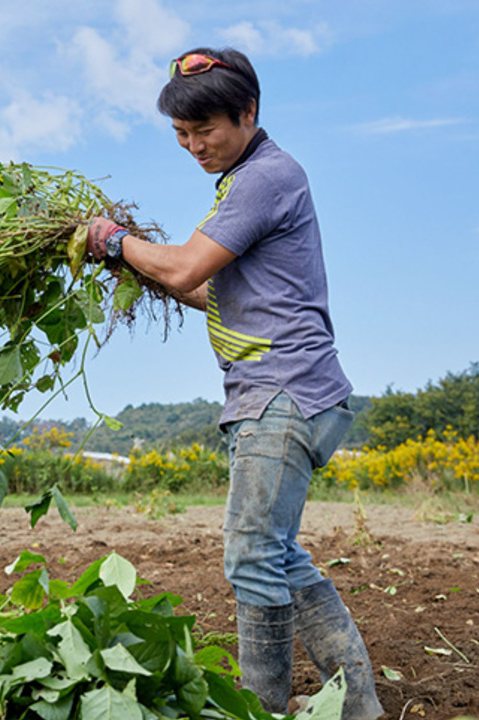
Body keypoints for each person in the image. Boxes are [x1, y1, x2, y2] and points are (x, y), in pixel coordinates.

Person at [84, 48, 383, 718]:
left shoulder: (265, 177)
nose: (194, 147)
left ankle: (261, 708)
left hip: (284, 394)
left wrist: (114, 241)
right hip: (291, 393)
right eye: (180, 135)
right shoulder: (246, 179)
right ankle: (357, 705)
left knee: (251, 557)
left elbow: (187, 267)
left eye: (205, 131)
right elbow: (207, 290)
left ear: (248, 113)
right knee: (277, 556)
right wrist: (136, 264)